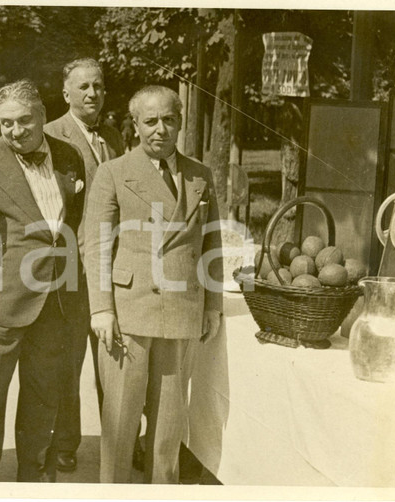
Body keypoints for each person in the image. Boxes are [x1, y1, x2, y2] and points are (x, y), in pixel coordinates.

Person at [85, 85, 223, 484]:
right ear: (135, 125)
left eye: (169, 120)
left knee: (169, 426)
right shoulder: (112, 172)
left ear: (180, 122)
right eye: (150, 121)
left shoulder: (201, 175)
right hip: (129, 312)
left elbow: (211, 242)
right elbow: (94, 245)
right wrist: (101, 308)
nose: (159, 130)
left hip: (181, 311)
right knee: (120, 424)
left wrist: (212, 304)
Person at [0, 79, 86, 482]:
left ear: (43, 117)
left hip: (55, 303)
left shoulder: (69, 156)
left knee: (44, 397)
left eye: (24, 121)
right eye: (6, 123)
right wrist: (1, 263)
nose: (15, 131)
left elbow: (71, 218)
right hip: (0, 303)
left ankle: (34, 479)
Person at [43, 57, 123, 473]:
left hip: (113, 265)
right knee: (68, 359)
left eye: (99, 86)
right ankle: (64, 442)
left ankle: (119, 440)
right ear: (66, 93)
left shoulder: (114, 136)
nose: (93, 93)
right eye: (84, 87)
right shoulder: (49, 135)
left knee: (114, 360)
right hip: (71, 267)